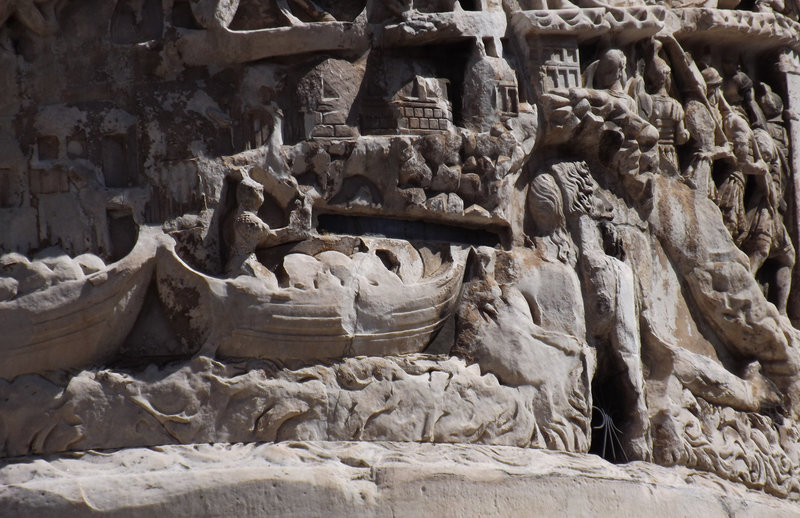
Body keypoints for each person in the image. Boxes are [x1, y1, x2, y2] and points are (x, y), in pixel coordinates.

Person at [224, 174, 309, 277]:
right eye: (259, 192)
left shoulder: (235, 215)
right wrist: (295, 230)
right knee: (270, 280)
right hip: (244, 264)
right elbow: (272, 237)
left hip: (235, 262)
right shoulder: (249, 220)